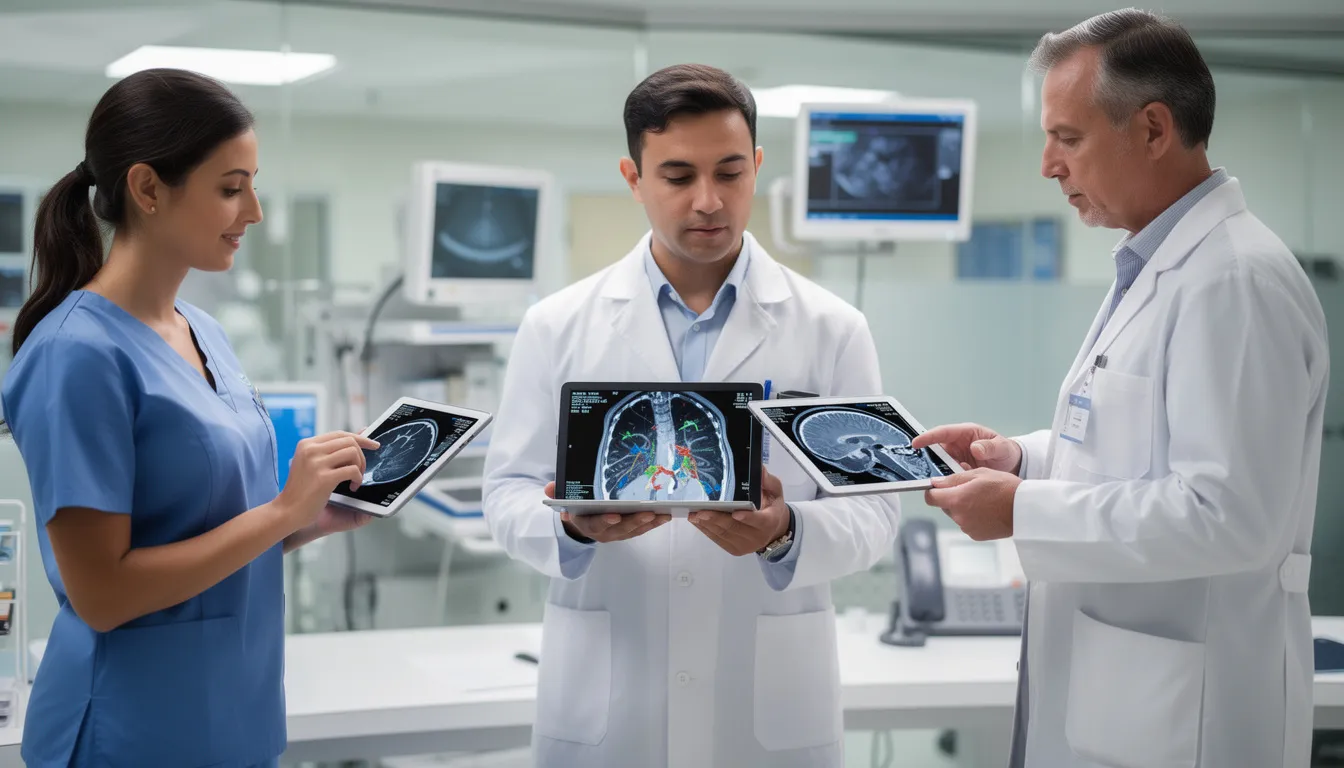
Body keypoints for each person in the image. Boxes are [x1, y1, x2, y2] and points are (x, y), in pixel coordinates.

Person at [914, 10, 1329, 768]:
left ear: (1152, 129)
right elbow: (1136, 454)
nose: (1047, 165)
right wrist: (1022, 463)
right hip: (1122, 699)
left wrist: (1022, 511)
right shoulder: (1157, 265)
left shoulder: (1232, 280)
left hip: (1185, 717)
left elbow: (1230, 515)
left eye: (1067, 138)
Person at [482, 63, 900, 768]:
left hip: (765, 702)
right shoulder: (556, 327)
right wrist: (571, 526)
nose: (708, 201)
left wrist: (785, 532)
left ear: (758, 167)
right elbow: (506, 494)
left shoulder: (832, 328)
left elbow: (875, 515)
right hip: (612, 700)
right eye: (678, 177)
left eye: (730, 173)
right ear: (633, 177)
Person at [0, 69, 378, 768]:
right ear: (147, 189)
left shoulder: (202, 330)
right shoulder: (75, 355)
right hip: (131, 733)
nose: (255, 211)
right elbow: (104, 594)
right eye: (231, 188)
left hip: (234, 721)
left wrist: (303, 521)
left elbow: (207, 533)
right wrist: (279, 512)